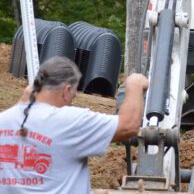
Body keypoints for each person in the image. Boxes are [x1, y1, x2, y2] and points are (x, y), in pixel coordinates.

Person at [0, 56, 148, 194]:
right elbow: (128, 126)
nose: (71, 101)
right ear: (67, 90)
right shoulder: (71, 121)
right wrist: (135, 84)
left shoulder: (4, 120)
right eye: (73, 95)